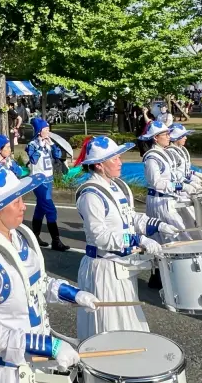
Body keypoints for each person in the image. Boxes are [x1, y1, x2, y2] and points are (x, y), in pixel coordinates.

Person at [0, 164, 98, 381]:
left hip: (37, 361)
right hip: (6, 372)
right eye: (16, 201)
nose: (24, 206)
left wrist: (74, 294)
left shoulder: (20, 237)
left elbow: (38, 283)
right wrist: (50, 346)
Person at [74, 135, 178, 338]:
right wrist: (136, 240)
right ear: (98, 165)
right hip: (103, 269)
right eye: (114, 159)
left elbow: (129, 217)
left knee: (129, 324)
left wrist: (157, 225)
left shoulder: (116, 186)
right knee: (109, 328)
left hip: (122, 265)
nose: (120, 162)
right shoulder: (91, 195)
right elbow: (100, 237)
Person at [140, 120, 198, 289]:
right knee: (177, 236)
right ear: (155, 138)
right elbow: (156, 182)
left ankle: (159, 276)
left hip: (168, 198)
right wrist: (181, 186)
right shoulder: (152, 157)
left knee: (163, 238)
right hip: (159, 200)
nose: (168, 136)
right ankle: (179, 276)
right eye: (165, 134)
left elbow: (174, 176)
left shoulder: (164, 153)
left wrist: (189, 181)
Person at [26, 118, 67, 251]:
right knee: (50, 209)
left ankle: (35, 236)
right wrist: (40, 146)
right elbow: (33, 159)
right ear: (39, 131)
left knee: (40, 208)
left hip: (49, 180)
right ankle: (56, 240)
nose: (48, 131)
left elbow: (58, 155)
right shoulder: (32, 144)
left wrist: (52, 145)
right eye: (46, 129)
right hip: (38, 181)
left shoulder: (49, 143)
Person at [165, 124, 202, 241]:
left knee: (194, 222)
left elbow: (184, 171)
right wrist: (187, 183)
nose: (186, 138)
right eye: (183, 136)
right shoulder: (171, 153)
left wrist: (194, 175)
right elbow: (175, 176)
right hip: (178, 192)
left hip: (183, 189)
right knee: (192, 222)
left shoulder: (180, 150)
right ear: (176, 138)